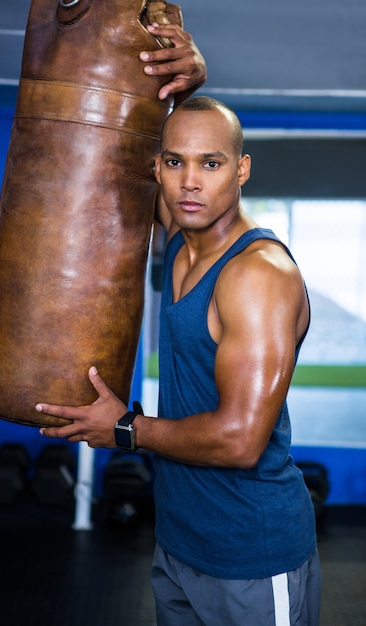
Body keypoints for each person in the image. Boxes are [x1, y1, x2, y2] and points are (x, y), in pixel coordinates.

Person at [35, 95, 322, 625]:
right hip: (178, 541)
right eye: (175, 162)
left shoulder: (256, 276)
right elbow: (147, 132)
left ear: (241, 171)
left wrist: (125, 428)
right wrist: (179, 81)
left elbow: (240, 440)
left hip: (250, 553)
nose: (190, 181)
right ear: (158, 169)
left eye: (210, 164)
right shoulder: (179, 238)